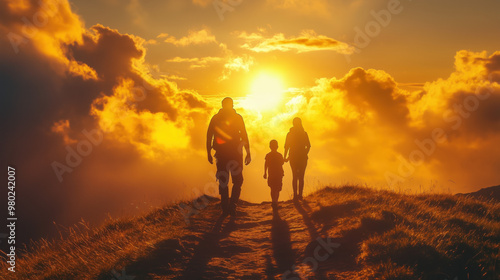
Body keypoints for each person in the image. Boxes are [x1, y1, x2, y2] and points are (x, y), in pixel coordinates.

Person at [207, 97, 251, 216]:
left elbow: (209, 135)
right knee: (237, 180)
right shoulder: (237, 118)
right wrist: (248, 152)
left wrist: (208, 153)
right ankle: (231, 205)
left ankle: (226, 206)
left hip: (222, 154)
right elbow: (244, 135)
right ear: (231, 105)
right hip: (235, 153)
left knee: (224, 180)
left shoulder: (216, 118)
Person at [284, 117, 310, 200]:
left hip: (293, 157)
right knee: (301, 176)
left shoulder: (290, 134)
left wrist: (285, 157)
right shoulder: (304, 133)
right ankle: (300, 195)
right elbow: (308, 146)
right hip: (302, 157)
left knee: (295, 176)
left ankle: (295, 195)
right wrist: (305, 153)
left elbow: (286, 146)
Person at [263, 140, 284, 209]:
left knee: (273, 188)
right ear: (277, 147)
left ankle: (274, 201)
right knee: (277, 188)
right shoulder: (279, 155)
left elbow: (266, 164)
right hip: (278, 174)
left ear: (270, 147)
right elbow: (282, 163)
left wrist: (265, 173)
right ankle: (275, 201)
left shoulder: (268, 155)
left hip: (272, 174)